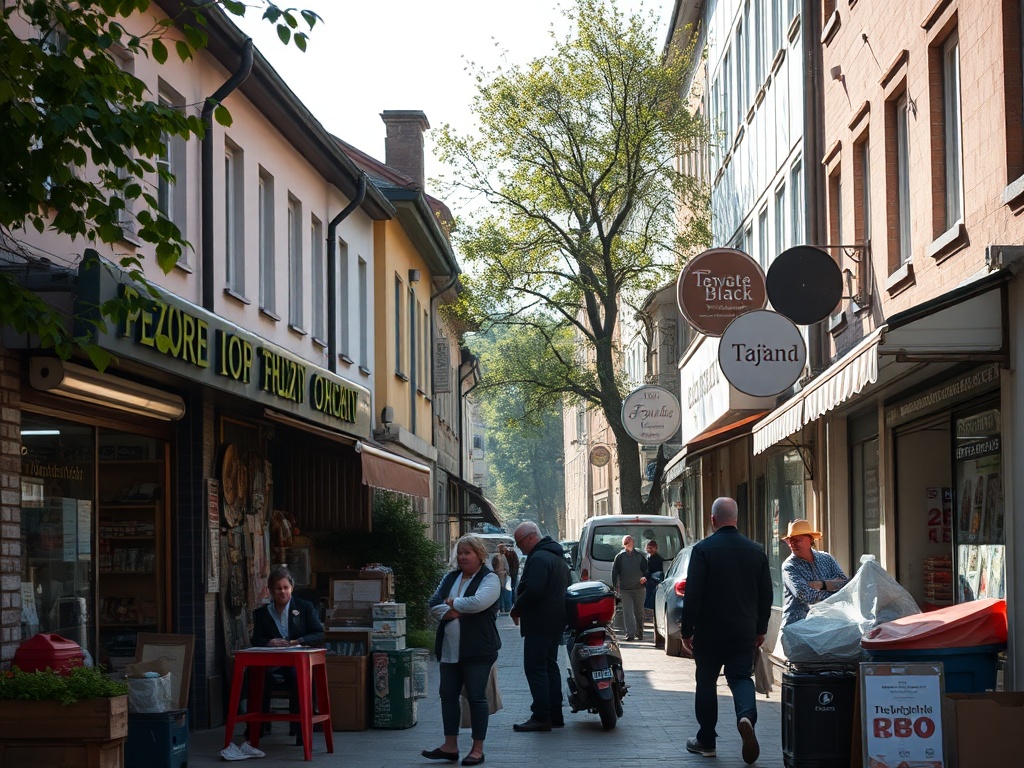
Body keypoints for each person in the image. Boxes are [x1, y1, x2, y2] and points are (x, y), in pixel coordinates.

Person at [679, 497, 772, 765]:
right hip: (744, 630)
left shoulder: (703, 550)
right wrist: (761, 628)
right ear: (736, 519)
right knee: (741, 677)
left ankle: (706, 741)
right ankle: (745, 717)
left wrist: (687, 630)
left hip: (709, 631)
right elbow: (766, 594)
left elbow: (693, 594)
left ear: (712, 520)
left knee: (706, 681)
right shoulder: (756, 551)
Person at [422, 534, 501, 766]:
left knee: (476, 697)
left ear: (480, 555)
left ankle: (477, 749)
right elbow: (433, 603)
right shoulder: (451, 577)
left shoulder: (490, 579)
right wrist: (451, 610)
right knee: (447, 695)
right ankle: (450, 746)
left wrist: (453, 603)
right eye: (460, 552)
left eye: (467, 553)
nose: (462, 557)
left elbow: (479, 602)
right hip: (449, 649)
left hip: (478, 649)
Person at [248, 566, 325, 747]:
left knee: (295, 675)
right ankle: (257, 727)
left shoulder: (304, 608)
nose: (282, 592)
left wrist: (299, 641)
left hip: (296, 661)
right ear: (271, 590)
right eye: (278, 588)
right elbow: (256, 639)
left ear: (291, 588)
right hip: (272, 661)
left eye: (285, 587)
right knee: (256, 675)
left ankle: (299, 730)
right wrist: (269, 642)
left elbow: (319, 634)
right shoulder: (262, 613)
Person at [509, 521, 571, 732]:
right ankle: (555, 714)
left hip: (540, 622)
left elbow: (534, 590)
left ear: (530, 538)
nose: (519, 548)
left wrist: (517, 607)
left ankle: (541, 715)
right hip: (555, 621)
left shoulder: (539, 558)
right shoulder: (556, 557)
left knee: (536, 668)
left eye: (519, 543)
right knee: (549, 666)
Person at [780, 518, 849, 629]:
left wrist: (821, 585)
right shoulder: (789, 566)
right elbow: (805, 595)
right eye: (791, 541)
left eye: (798, 540)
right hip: (797, 626)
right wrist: (832, 590)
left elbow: (845, 584)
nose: (793, 544)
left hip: (828, 623)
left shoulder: (826, 558)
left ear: (810, 540)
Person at [611, 535, 648, 641]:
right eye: (625, 542)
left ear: (633, 542)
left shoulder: (640, 556)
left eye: (628, 541)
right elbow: (615, 572)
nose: (627, 544)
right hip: (625, 589)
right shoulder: (620, 557)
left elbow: (646, 570)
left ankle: (639, 632)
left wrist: (645, 578)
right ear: (623, 545)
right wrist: (616, 586)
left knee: (639, 611)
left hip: (639, 588)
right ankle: (630, 633)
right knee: (627, 611)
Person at [643, 539, 665, 614]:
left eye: (652, 548)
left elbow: (655, 571)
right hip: (648, 582)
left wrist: (647, 576)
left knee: (651, 599)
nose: (650, 550)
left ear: (656, 548)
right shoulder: (647, 558)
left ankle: (649, 613)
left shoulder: (658, 559)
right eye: (648, 548)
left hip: (654, 582)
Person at [492, 545, 512, 614]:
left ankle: (501, 607)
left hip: (498, 575)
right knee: (506, 593)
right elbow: (507, 567)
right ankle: (507, 608)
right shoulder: (503, 557)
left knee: (500, 593)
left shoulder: (496, 557)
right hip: (503, 576)